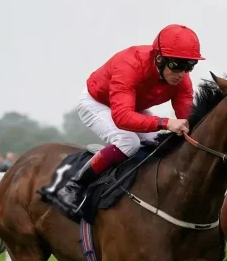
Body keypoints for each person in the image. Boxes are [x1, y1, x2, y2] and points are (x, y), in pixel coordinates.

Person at [46, 24, 204, 220]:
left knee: (162, 143)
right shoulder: (130, 65)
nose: (181, 73)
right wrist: (165, 122)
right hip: (97, 103)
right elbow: (122, 117)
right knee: (128, 142)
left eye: (189, 66)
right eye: (176, 65)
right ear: (159, 58)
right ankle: (74, 185)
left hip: (132, 106)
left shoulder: (182, 81)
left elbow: (187, 121)